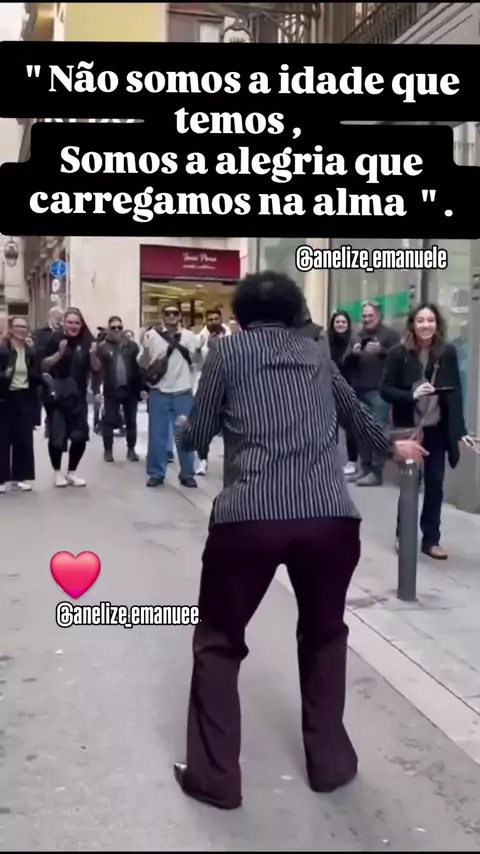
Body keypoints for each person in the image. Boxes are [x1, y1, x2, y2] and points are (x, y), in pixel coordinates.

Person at [172, 270, 426, 810]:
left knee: (218, 640)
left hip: (250, 519)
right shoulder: (316, 354)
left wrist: (183, 431)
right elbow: (359, 419)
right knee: (324, 636)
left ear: (241, 314)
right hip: (328, 520)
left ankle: (216, 778)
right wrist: (395, 448)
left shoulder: (227, 353)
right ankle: (330, 765)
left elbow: (199, 433)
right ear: (294, 313)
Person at [380, 303, 475, 560]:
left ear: (437, 324)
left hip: (436, 429)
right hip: (410, 428)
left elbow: (455, 393)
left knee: (435, 484)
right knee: (410, 483)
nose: (426, 325)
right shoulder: (399, 353)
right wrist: (411, 394)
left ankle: (431, 539)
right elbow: (385, 390)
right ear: (413, 324)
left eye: (430, 320)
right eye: (421, 320)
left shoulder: (447, 352)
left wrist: (459, 430)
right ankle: (403, 534)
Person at [138, 303, 199, 488]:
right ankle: (156, 473)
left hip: (183, 391)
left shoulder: (190, 336)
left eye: (175, 313)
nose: (171, 316)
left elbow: (197, 363)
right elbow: (142, 362)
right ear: (162, 316)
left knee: (185, 434)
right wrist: (144, 348)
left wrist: (199, 354)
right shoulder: (151, 335)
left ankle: (187, 473)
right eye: (168, 313)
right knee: (157, 435)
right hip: (159, 391)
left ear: (180, 316)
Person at [344, 301, 400, 486]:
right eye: (364, 316)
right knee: (361, 431)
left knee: (378, 431)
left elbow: (400, 359)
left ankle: (376, 472)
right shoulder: (356, 336)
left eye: (370, 316)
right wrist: (353, 354)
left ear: (379, 316)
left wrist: (381, 351)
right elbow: (344, 362)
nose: (367, 319)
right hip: (358, 389)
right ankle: (365, 468)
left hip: (379, 390)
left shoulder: (390, 335)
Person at [41, 307, 95, 488]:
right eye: (70, 322)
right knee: (57, 436)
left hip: (78, 394)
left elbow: (96, 368)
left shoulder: (87, 341)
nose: (73, 326)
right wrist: (60, 353)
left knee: (80, 436)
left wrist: (94, 354)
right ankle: (57, 472)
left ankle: (72, 471)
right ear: (64, 323)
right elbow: (44, 365)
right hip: (57, 394)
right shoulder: (55, 339)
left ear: (81, 324)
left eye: (77, 323)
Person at [90, 316, 141, 463]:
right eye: (113, 328)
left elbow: (138, 368)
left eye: (120, 327)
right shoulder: (102, 347)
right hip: (111, 389)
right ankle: (108, 451)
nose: (117, 330)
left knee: (131, 421)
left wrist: (142, 388)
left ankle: (131, 450)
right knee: (109, 421)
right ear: (109, 329)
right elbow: (96, 369)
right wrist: (96, 391)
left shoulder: (131, 346)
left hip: (130, 389)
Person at [0, 316, 40, 493]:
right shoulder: (3, 349)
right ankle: (1, 479)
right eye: (18, 326)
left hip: (24, 396)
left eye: (24, 327)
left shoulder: (30, 351)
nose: (21, 330)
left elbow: (35, 374)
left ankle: (19, 477)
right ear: (10, 328)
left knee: (23, 438)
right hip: (5, 397)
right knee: (3, 438)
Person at [195, 308, 231, 475]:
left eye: (216, 318)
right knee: (205, 425)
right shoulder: (200, 338)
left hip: (229, 384)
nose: (214, 322)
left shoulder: (231, 336)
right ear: (206, 321)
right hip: (208, 385)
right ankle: (203, 459)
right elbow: (196, 362)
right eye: (210, 319)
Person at [328, 311, 358, 478]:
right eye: (337, 322)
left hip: (349, 387)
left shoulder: (353, 342)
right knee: (331, 425)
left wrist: (356, 354)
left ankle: (352, 461)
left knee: (350, 425)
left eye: (343, 322)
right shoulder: (326, 341)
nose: (340, 325)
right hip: (330, 387)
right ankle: (331, 460)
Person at [33, 306, 65, 432]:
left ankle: (54, 426)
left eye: (61, 319)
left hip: (60, 372)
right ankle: (50, 422)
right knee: (47, 400)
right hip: (44, 372)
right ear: (50, 317)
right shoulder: (40, 333)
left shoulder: (64, 333)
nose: (59, 321)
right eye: (58, 318)